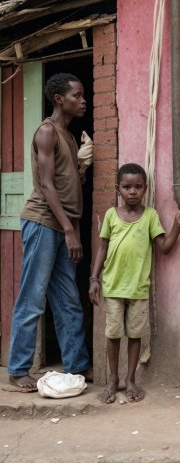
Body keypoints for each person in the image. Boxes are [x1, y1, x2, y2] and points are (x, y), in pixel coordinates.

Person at [8, 73, 92, 391]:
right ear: (59, 99)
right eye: (77, 95)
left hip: (63, 225)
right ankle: (17, 369)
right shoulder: (47, 131)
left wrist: (82, 165)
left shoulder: (68, 137)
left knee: (68, 298)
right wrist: (70, 230)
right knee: (32, 298)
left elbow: (69, 183)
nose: (83, 100)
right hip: (44, 223)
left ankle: (76, 366)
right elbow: (46, 185)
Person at [88, 163, 180, 403]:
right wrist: (94, 279)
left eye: (138, 187)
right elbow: (102, 249)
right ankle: (112, 380)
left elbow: (165, 249)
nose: (133, 192)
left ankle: (131, 380)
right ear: (118, 189)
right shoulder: (110, 215)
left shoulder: (150, 216)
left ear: (145, 189)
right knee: (114, 334)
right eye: (127, 187)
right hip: (114, 287)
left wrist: (177, 225)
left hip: (138, 289)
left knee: (135, 335)